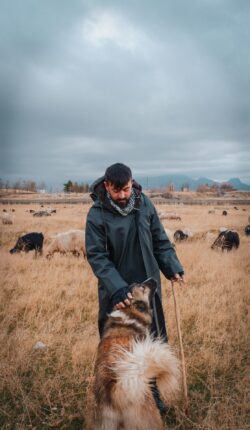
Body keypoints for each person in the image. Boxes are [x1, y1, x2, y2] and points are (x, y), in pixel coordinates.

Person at [85, 162, 185, 414]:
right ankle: (119, 403)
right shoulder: (97, 214)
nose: (122, 196)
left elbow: (160, 240)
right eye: (117, 191)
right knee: (120, 349)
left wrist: (172, 266)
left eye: (126, 190)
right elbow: (97, 256)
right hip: (117, 293)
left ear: (132, 183)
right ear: (107, 186)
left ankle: (153, 398)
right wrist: (117, 288)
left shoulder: (144, 204)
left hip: (149, 289)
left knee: (152, 343)